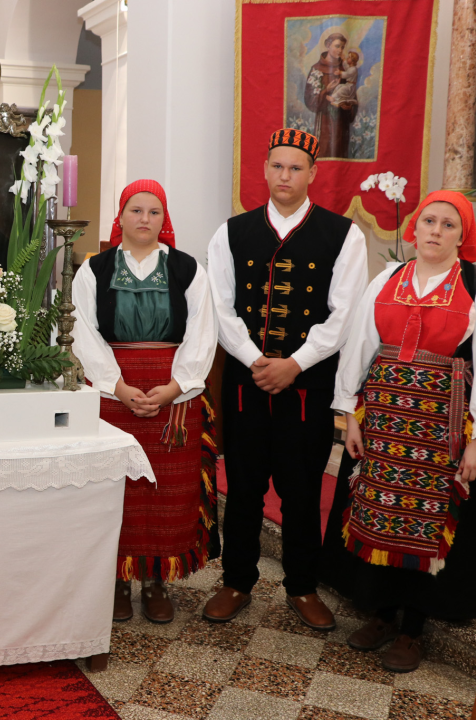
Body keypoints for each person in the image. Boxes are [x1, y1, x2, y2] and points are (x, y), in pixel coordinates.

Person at [320, 191, 476, 672]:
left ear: (462, 236)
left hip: (441, 430)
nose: (436, 231)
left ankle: (413, 629)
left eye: (448, 224)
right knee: (380, 514)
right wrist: (349, 414)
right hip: (382, 423)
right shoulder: (388, 278)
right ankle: (381, 613)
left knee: (427, 522)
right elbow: (359, 346)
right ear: (415, 228)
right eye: (429, 221)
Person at [204, 128, 368, 631]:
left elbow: (344, 317)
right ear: (265, 168)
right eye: (277, 165)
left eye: (296, 168)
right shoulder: (231, 232)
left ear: (313, 173)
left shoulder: (345, 235)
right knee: (246, 486)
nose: (285, 176)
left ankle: (302, 586)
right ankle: (236, 581)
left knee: (300, 492)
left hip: (308, 386)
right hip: (245, 381)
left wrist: (294, 363)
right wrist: (258, 360)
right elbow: (221, 308)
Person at [73, 180, 220, 623]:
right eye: (135, 210)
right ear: (120, 217)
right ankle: (117, 578)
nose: (144, 219)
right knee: (116, 489)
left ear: (164, 219)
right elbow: (83, 332)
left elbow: (202, 332)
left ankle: (156, 580)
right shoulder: (93, 270)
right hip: (113, 393)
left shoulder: (187, 269)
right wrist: (117, 387)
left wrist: (176, 388)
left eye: (153, 212)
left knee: (164, 493)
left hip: (173, 395)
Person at [304, 33, 358, 159]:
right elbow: (309, 99)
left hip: (341, 123)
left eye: (342, 47)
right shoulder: (317, 69)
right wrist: (326, 91)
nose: (340, 50)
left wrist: (349, 107)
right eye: (337, 46)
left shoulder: (345, 70)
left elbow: (351, 94)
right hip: (324, 122)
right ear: (328, 45)